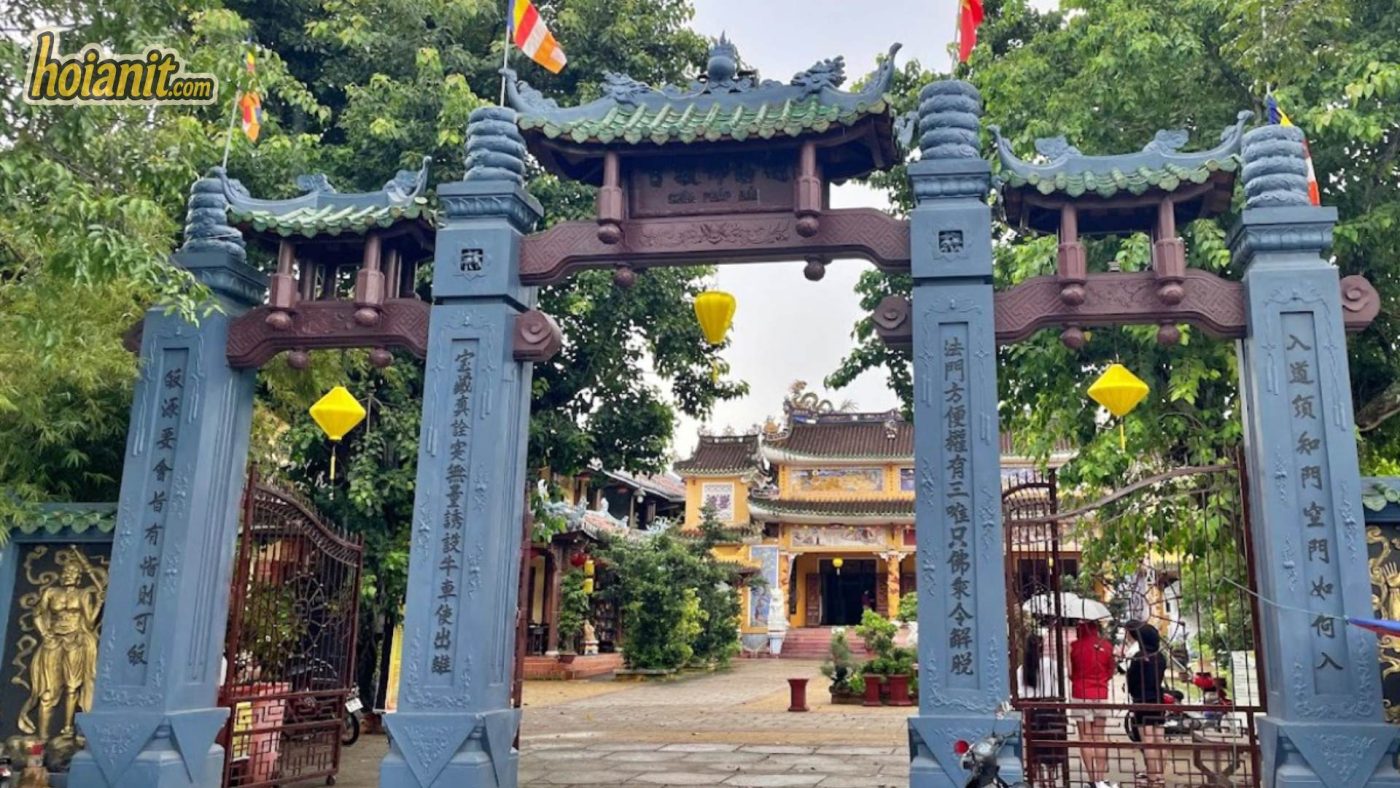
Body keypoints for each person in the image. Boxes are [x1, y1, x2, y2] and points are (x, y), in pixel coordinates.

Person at [1068, 620, 1115, 788]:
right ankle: (1101, 778)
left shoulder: (1074, 646)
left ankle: (1092, 778)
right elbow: (1111, 670)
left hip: (1081, 694)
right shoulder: (1107, 646)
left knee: (1085, 738)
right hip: (1101, 694)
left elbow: (1070, 673)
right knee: (1100, 738)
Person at [1124, 621, 1168, 788]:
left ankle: (1152, 777)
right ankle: (1160, 775)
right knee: (1159, 739)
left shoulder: (1140, 657)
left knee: (1148, 740)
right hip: (1158, 699)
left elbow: (1132, 681)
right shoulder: (1160, 656)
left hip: (1142, 701)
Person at [1018, 633, 1067, 781]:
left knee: (1035, 748)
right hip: (1050, 708)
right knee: (1050, 746)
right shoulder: (1050, 663)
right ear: (1041, 647)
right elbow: (1062, 678)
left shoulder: (1022, 668)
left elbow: (1020, 692)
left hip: (1032, 711)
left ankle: (1039, 780)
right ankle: (1051, 779)